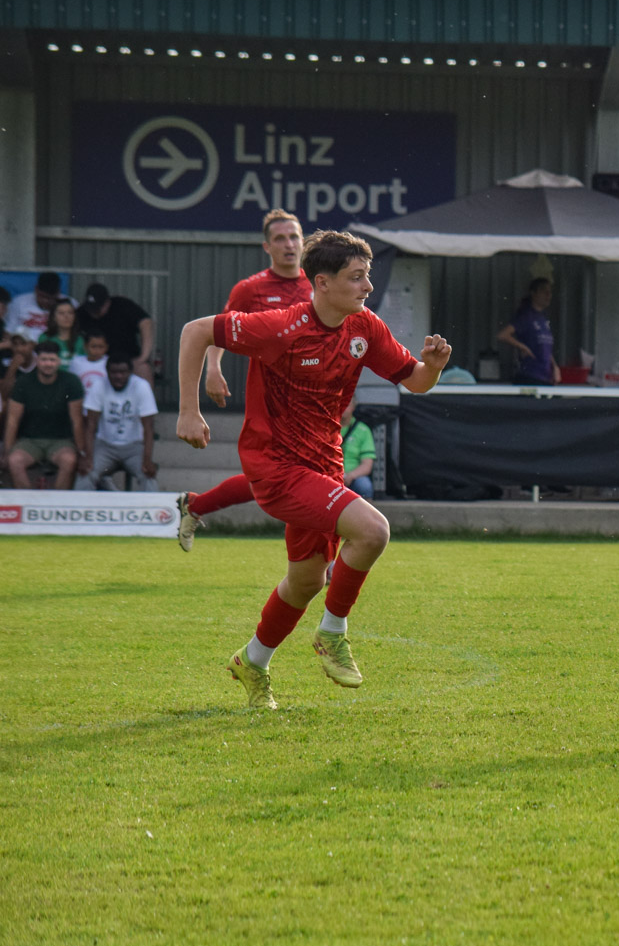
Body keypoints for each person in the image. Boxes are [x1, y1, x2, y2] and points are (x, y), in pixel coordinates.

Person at [176, 229, 450, 710]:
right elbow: (195, 331)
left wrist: (434, 366)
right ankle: (332, 632)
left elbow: (416, 382)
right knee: (374, 531)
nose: (368, 286)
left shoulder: (365, 328)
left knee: (306, 581)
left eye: (367, 275)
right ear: (322, 283)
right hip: (276, 466)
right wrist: (187, 411)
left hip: (325, 466)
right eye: (357, 277)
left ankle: (252, 661)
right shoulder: (281, 327)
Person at [176, 209, 314, 550]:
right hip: (269, 398)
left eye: (294, 237)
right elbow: (215, 330)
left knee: (283, 478)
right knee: (297, 476)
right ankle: (318, 560)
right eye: (280, 239)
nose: (289, 244)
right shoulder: (251, 289)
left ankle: (196, 505)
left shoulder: (318, 284)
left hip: (314, 397)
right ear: (267, 246)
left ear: (304, 241)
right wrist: (213, 368)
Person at [3, 338, 87, 490]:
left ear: (59, 361)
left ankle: (58, 501)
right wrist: (7, 451)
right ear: (37, 360)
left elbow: (77, 420)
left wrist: (81, 452)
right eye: (44, 360)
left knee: (69, 460)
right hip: (29, 440)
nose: (48, 364)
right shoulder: (24, 382)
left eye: (52, 360)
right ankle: (27, 501)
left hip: (61, 441)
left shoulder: (71, 382)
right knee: (14, 461)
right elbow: (13, 420)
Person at [84, 355, 159, 491]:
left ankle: (154, 505)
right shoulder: (99, 385)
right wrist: (87, 457)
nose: (118, 376)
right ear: (107, 372)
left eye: (123, 372)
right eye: (114, 372)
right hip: (105, 445)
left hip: (134, 446)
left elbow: (148, 427)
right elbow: (90, 425)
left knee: (148, 476)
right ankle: (80, 505)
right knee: (85, 473)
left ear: (130, 372)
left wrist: (147, 459)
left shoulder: (141, 386)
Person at [78, 283, 155, 386]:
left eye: (98, 309)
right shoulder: (82, 312)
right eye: (91, 309)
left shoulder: (122, 305)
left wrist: (144, 356)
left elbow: (146, 322)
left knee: (143, 368)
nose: (94, 312)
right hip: (95, 361)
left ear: (107, 303)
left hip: (127, 360)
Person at [497, 277, 560, 385]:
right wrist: (522, 347)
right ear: (533, 293)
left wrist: (555, 366)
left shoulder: (543, 319)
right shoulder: (526, 316)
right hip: (530, 376)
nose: (548, 295)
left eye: (549, 292)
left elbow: (544, 348)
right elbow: (502, 335)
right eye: (544, 291)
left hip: (545, 377)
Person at [5, 272, 68, 341]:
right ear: (36, 289)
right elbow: (8, 331)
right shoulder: (18, 302)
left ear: (58, 293)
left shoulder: (68, 304)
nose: (45, 301)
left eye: (50, 298)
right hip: (24, 345)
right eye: (42, 296)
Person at [341, 394, 376, 500]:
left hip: (352, 477)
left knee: (364, 486)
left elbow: (367, 464)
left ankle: (365, 510)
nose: (343, 407)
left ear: (354, 407)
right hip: (330, 475)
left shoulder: (363, 430)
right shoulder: (326, 428)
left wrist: (351, 476)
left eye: (347, 404)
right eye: (340, 404)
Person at [68, 330, 110, 397]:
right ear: (85, 346)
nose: (97, 350)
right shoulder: (76, 362)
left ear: (106, 347)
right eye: (93, 346)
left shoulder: (109, 362)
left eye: (101, 347)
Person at [1, 331, 34, 403]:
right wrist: (12, 368)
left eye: (23, 344)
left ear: (32, 345)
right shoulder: (8, 363)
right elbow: (4, 396)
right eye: (15, 344)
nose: (19, 348)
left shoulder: (41, 362)